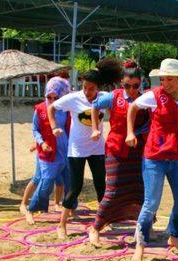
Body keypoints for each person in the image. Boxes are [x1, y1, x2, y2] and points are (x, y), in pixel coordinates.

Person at [126, 58, 178, 261]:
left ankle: (174, 236)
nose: (165, 83)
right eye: (163, 79)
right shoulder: (154, 96)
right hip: (155, 157)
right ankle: (140, 245)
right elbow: (133, 108)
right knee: (151, 203)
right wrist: (130, 132)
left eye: (170, 79)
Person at [48, 58, 123, 239]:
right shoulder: (74, 98)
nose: (88, 92)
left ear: (98, 87)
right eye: (85, 88)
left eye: (91, 89)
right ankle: (62, 225)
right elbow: (51, 108)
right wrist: (54, 127)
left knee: (101, 186)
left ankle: (102, 221)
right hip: (77, 149)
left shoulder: (105, 97)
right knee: (75, 187)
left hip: (97, 148)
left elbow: (117, 110)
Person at [88, 64, 151, 244]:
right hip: (116, 147)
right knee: (113, 189)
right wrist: (95, 128)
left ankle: (146, 226)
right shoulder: (114, 97)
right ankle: (96, 226)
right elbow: (94, 105)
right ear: (122, 84)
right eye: (127, 86)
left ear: (141, 84)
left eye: (135, 86)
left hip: (138, 150)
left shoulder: (145, 99)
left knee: (141, 189)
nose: (131, 90)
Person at [23, 77, 71, 224]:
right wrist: (41, 143)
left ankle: (68, 209)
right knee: (45, 182)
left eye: (55, 97)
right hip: (48, 150)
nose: (51, 99)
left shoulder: (66, 109)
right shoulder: (40, 109)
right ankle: (31, 209)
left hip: (66, 149)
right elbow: (35, 129)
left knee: (69, 182)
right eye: (48, 96)